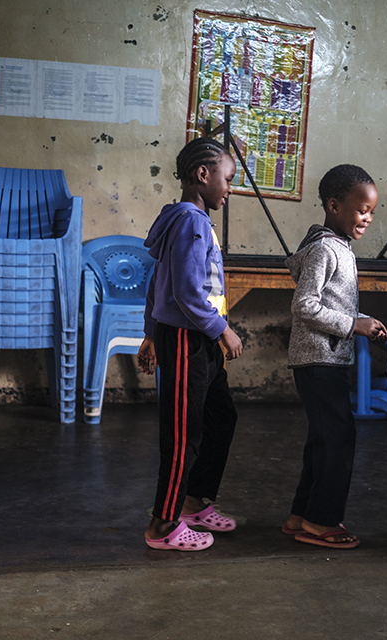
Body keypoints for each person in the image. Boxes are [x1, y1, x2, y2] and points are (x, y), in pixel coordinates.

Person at [136, 137, 244, 551]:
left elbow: (156, 283)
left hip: (193, 336)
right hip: (188, 338)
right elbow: (184, 290)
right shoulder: (191, 221)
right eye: (227, 179)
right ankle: (163, 525)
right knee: (184, 433)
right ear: (203, 175)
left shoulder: (183, 219)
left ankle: (194, 502)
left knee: (221, 416)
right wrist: (222, 330)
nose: (229, 188)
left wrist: (149, 332)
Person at [282, 164, 387, 550]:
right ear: (334, 206)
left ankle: (301, 516)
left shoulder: (336, 246)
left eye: (371, 211)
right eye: (362, 210)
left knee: (323, 441)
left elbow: (329, 304)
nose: (368, 218)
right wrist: (352, 326)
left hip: (325, 358)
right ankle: (321, 523)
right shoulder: (327, 248)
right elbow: (305, 305)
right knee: (339, 441)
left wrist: (363, 321)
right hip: (318, 359)